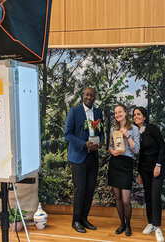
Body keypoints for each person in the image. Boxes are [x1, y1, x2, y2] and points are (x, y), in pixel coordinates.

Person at [64, 87, 104, 233]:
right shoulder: (74, 111)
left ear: (95, 97)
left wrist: (101, 143)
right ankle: (75, 221)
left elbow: (102, 132)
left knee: (89, 189)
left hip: (93, 157)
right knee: (80, 189)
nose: (89, 97)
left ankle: (84, 219)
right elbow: (67, 133)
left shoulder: (98, 112)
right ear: (83, 96)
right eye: (87, 95)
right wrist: (83, 144)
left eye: (92, 95)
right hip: (79, 157)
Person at [133, 106, 165, 242]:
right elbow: (141, 155)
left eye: (138, 114)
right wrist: (139, 173)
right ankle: (151, 223)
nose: (136, 116)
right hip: (145, 170)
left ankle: (158, 228)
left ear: (144, 116)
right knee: (147, 197)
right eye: (134, 115)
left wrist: (158, 165)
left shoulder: (152, 128)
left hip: (157, 169)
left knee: (155, 196)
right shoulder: (136, 132)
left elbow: (163, 146)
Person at [108, 104, 140, 236]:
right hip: (115, 163)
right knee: (118, 198)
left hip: (126, 164)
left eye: (120, 112)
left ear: (125, 113)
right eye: (116, 113)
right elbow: (110, 145)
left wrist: (127, 135)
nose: (117, 115)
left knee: (126, 200)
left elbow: (136, 150)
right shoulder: (113, 129)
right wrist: (112, 151)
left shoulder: (134, 129)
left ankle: (128, 224)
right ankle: (121, 224)